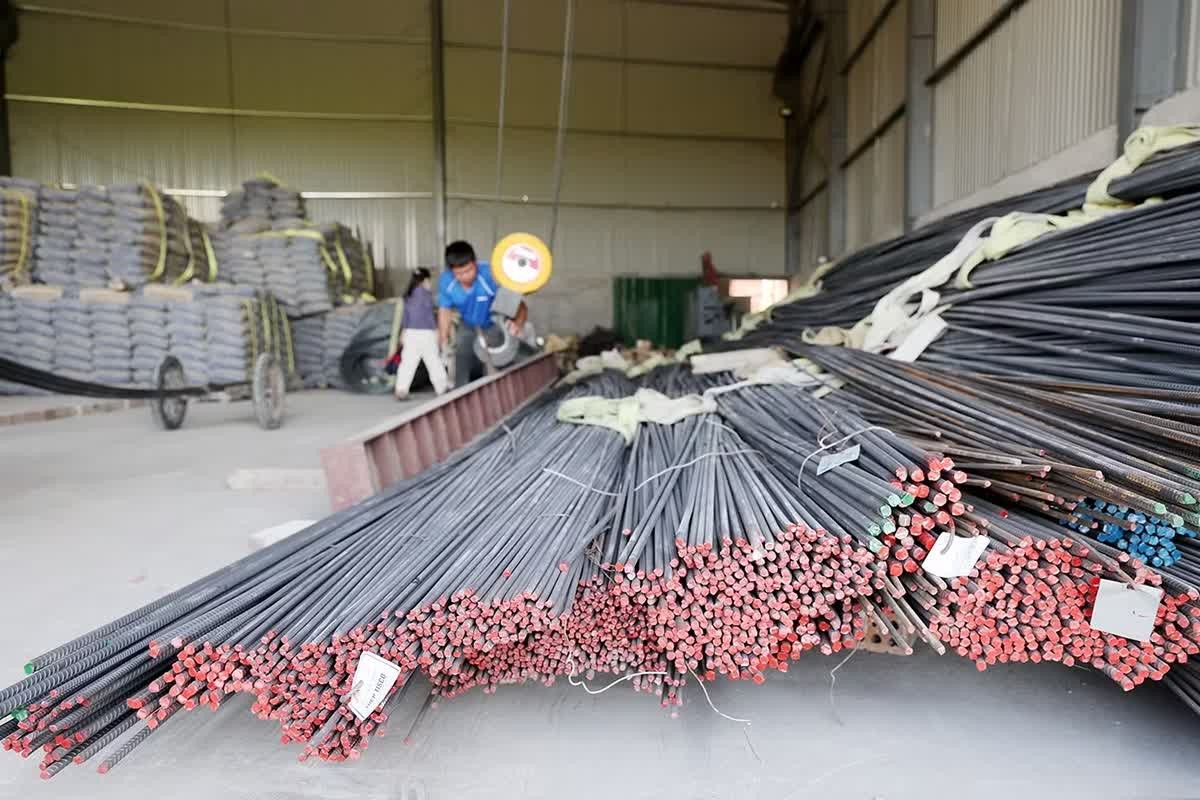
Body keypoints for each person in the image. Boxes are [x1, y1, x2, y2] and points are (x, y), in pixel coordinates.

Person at [437, 240, 527, 388]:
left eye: (468, 270)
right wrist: (443, 338)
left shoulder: (491, 274)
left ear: (475, 263)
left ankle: (493, 392)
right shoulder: (446, 281)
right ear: (451, 271)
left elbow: (518, 302)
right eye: (459, 273)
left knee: (491, 361)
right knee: (461, 357)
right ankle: (460, 392)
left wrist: (518, 323)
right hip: (467, 324)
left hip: (492, 324)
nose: (465, 276)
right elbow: (444, 310)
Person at [394, 268, 449, 400]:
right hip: (426, 333)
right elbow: (428, 315)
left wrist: (403, 332)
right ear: (425, 280)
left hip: (410, 333)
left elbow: (405, 317)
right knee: (433, 361)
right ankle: (441, 388)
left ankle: (401, 389)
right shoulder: (426, 295)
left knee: (407, 363)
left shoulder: (408, 295)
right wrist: (437, 331)